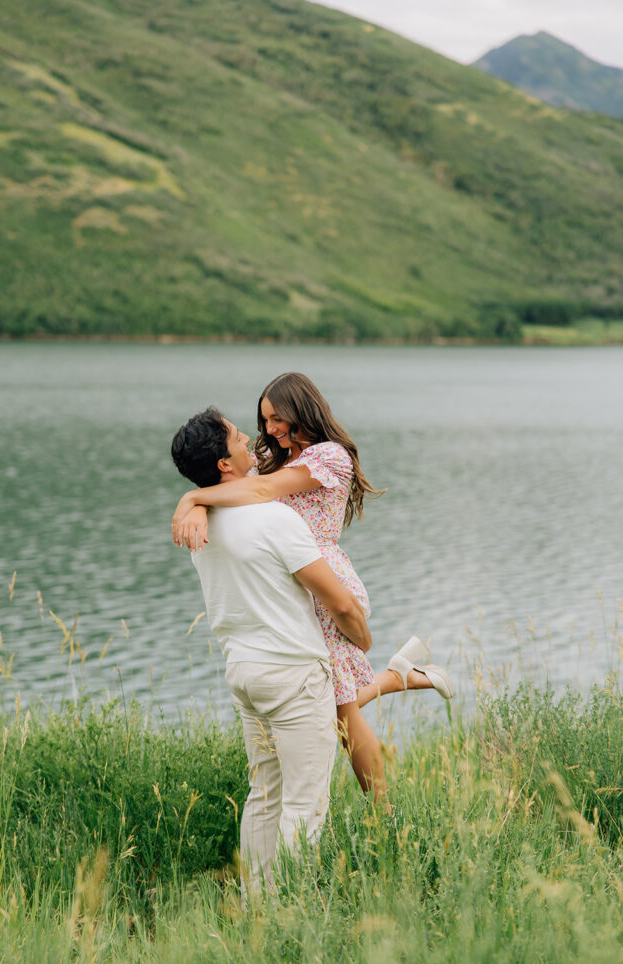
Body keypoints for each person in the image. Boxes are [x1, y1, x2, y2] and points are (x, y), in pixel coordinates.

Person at [172, 372, 454, 805]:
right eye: (264, 420)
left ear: (301, 409)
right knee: (332, 702)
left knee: (340, 711)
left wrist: (191, 500)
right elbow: (243, 489)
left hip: (323, 583)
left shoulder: (329, 457)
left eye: (276, 418)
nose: (269, 430)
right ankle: (397, 678)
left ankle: (384, 817)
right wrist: (200, 500)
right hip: (294, 584)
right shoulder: (278, 459)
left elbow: (260, 490)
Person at [171, 406, 373, 896]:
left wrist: (191, 500)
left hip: (243, 674)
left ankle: (256, 905)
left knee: (264, 796)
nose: (251, 443)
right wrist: (362, 639)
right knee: (305, 805)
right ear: (224, 464)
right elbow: (338, 601)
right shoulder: (274, 519)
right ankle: (290, 913)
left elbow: (244, 486)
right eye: (240, 439)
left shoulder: (204, 524)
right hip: (292, 675)